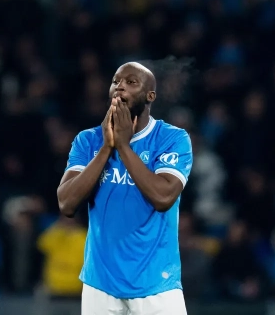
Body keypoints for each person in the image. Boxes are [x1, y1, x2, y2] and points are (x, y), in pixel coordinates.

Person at [58, 62, 193, 315]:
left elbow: (163, 196)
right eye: (115, 81)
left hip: (156, 283)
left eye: (131, 82)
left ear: (150, 96)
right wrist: (106, 148)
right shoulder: (88, 140)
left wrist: (123, 146)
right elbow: (66, 203)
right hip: (100, 284)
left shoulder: (172, 139)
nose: (120, 86)